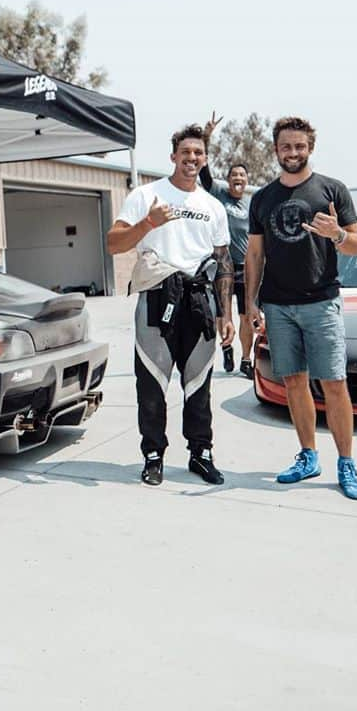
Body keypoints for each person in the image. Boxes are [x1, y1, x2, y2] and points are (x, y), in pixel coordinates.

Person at [243, 116, 357, 500]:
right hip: (278, 306)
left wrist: (338, 234)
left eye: (299, 146)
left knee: (333, 384)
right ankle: (308, 456)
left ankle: (346, 463)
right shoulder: (262, 198)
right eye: (285, 146)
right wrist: (250, 301)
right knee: (293, 382)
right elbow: (255, 254)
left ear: (309, 147)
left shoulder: (332, 190)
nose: (292, 152)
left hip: (321, 303)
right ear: (276, 149)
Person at [107, 124, 235, 487]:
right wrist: (148, 222)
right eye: (185, 153)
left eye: (198, 153)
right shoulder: (147, 195)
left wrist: (225, 314)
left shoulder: (213, 206)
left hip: (199, 299)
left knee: (199, 384)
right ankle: (153, 456)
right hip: (157, 298)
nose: (192, 158)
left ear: (205, 158)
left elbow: (223, 260)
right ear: (173, 156)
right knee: (150, 385)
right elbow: (114, 243)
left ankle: (201, 454)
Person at [199, 113, 254, 377]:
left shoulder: (251, 203)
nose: (238, 179)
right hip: (222, 265)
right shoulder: (217, 192)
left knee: (246, 316)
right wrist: (207, 137)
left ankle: (246, 359)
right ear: (228, 179)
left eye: (242, 175)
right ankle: (227, 348)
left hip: (245, 267)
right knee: (224, 314)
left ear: (246, 180)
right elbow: (203, 168)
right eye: (234, 175)